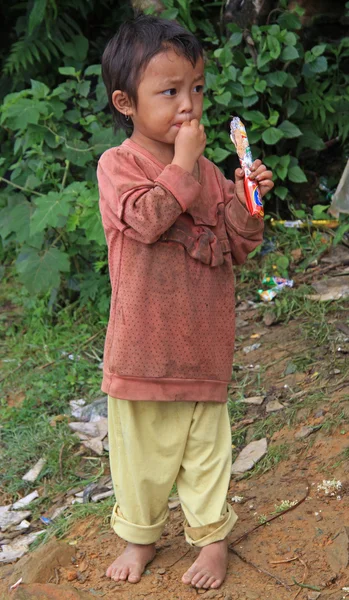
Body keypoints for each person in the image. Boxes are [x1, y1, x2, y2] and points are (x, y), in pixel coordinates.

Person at [97, 14, 274, 591]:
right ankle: (140, 537)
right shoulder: (119, 166)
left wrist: (247, 200)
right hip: (141, 352)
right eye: (169, 92)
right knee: (140, 460)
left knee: (207, 456)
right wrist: (181, 167)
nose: (188, 104)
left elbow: (238, 246)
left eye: (196, 88)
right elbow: (148, 220)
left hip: (204, 346)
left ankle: (213, 541)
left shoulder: (210, 171)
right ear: (126, 102)